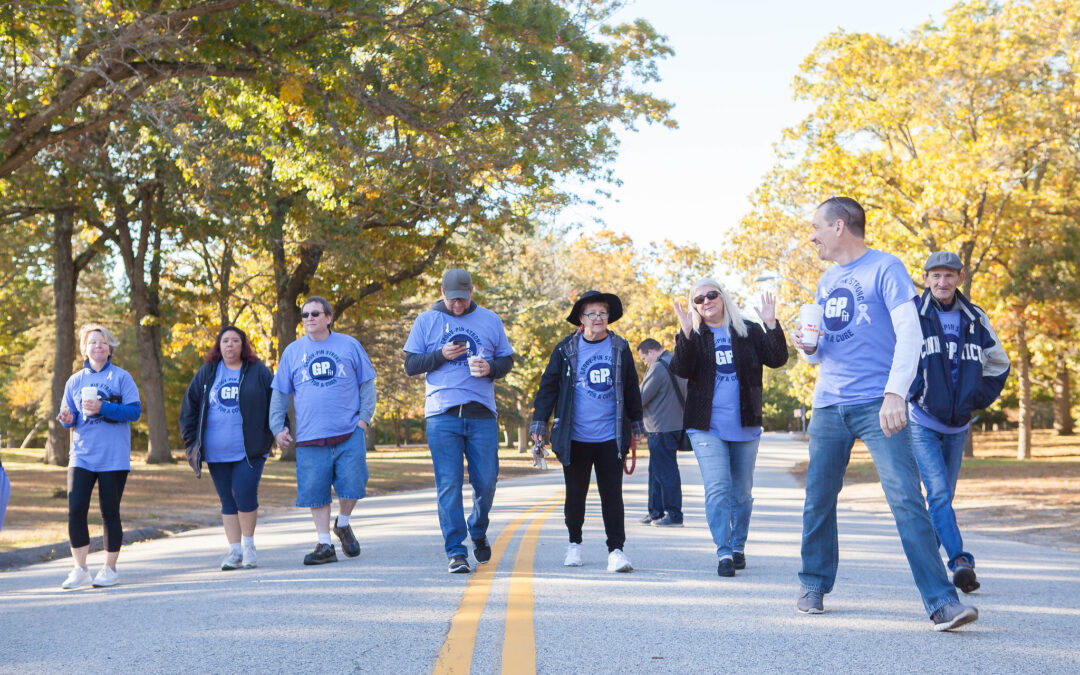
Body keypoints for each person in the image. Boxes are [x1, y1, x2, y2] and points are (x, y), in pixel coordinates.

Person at [792, 196, 977, 631]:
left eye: (817, 226)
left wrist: (896, 393)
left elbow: (910, 332)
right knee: (818, 499)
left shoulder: (886, 267)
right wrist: (808, 348)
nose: (812, 236)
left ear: (840, 226)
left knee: (907, 501)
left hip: (880, 404)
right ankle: (813, 582)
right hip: (828, 404)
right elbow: (820, 354)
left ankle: (941, 602)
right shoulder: (824, 280)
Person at [908, 251, 1010, 594]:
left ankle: (929, 566)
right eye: (935, 276)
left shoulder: (975, 318)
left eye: (949, 275)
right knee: (937, 493)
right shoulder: (913, 316)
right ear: (925, 279)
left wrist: (974, 399)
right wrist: (915, 391)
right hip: (922, 420)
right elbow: (892, 358)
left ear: (960, 279)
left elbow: (999, 364)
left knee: (943, 497)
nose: (942, 282)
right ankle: (960, 561)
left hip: (958, 425)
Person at [670, 282, 788, 576]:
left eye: (711, 294)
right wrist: (685, 334)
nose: (706, 300)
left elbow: (777, 359)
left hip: (746, 424)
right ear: (695, 306)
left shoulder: (747, 330)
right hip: (706, 426)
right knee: (718, 489)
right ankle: (723, 553)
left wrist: (772, 325)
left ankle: (738, 546)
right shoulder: (694, 336)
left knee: (742, 494)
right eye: (699, 298)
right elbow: (681, 369)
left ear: (723, 297)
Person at [403, 268, 514, 574]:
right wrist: (440, 355)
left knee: (487, 482)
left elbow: (507, 360)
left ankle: (477, 528)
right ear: (442, 293)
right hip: (442, 414)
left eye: (462, 300)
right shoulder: (427, 320)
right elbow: (411, 364)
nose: (457, 306)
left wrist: (490, 368)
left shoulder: (490, 319)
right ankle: (456, 551)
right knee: (448, 485)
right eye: (452, 300)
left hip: (481, 414)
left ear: (472, 292)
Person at [531, 290, 645, 573]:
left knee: (612, 495)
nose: (598, 318)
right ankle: (574, 544)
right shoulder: (565, 349)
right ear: (581, 319)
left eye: (603, 313)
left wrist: (638, 423)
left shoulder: (620, 347)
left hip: (611, 435)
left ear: (609, 317)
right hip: (575, 436)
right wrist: (539, 424)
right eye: (591, 313)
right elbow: (548, 387)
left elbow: (631, 386)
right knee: (575, 494)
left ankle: (616, 551)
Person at [270, 297, 377, 565]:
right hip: (309, 436)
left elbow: (367, 384)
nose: (309, 318)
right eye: (304, 315)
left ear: (328, 317)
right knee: (315, 491)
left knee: (353, 485)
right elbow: (280, 393)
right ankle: (324, 544)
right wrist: (277, 427)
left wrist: (362, 421)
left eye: (315, 313)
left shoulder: (349, 345)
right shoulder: (293, 352)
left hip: (348, 432)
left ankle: (343, 523)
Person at [180, 326, 276, 570]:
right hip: (216, 450)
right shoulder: (207, 373)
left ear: (243, 346)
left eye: (235, 341)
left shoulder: (258, 372)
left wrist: (278, 430)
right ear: (219, 346)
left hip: (250, 449)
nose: (230, 345)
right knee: (227, 500)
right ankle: (234, 551)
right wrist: (191, 441)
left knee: (244, 492)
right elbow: (189, 409)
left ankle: (249, 546)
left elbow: (275, 403)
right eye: (225, 341)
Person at [56, 324, 141, 589]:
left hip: (113, 458)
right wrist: (68, 420)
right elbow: (67, 417)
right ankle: (80, 568)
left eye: (102, 342)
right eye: (92, 342)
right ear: (84, 349)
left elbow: (134, 412)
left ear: (110, 348)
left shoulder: (122, 378)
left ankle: (109, 569)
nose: (98, 347)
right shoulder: (75, 381)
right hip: (81, 455)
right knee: (76, 510)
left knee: (109, 512)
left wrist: (104, 407)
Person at [636, 338, 686, 528]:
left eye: (643, 358)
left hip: (661, 427)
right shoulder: (676, 362)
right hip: (673, 425)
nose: (644, 362)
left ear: (651, 351)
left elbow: (640, 397)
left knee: (666, 472)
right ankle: (655, 511)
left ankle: (674, 515)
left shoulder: (658, 367)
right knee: (656, 471)